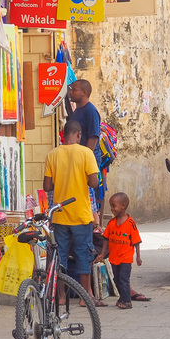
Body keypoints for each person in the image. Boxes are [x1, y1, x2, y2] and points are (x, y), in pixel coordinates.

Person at [43, 120, 106, 307]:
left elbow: (47, 186)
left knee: (60, 256)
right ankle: (84, 298)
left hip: (59, 215)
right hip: (81, 215)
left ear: (63, 134)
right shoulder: (86, 153)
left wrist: (62, 181)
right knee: (83, 254)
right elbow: (93, 183)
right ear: (78, 135)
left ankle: (61, 296)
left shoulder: (52, 154)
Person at [95, 192, 142, 310]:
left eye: (113, 206)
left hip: (126, 258)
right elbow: (106, 239)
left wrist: (138, 257)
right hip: (114, 258)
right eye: (111, 206)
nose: (111, 209)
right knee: (116, 279)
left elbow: (136, 241)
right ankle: (122, 298)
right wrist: (102, 254)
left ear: (123, 206)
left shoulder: (130, 223)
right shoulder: (111, 223)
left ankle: (127, 301)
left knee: (123, 279)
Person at [68, 79, 103, 227]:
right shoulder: (78, 110)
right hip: (78, 158)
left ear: (84, 92)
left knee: (89, 194)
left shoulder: (90, 111)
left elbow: (93, 137)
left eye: (74, 89)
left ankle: (93, 225)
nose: (71, 92)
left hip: (87, 159)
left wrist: (85, 159)